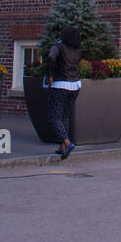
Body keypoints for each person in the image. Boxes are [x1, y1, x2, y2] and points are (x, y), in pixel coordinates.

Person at [45, 27, 83, 160]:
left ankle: (67, 143)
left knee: (54, 116)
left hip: (60, 84)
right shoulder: (78, 49)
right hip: (76, 84)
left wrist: (49, 75)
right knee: (65, 116)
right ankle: (62, 147)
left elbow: (50, 57)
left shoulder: (58, 46)